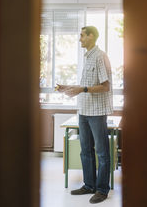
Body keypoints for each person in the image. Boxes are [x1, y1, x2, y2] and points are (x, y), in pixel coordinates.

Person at [57, 26, 113, 204]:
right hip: (83, 110)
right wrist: (68, 87)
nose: (79, 38)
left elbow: (106, 86)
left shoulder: (100, 56)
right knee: (85, 151)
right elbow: (85, 86)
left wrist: (83, 89)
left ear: (91, 36)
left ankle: (102, 189)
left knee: (102, 153)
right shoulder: (86, 57)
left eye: (82, 35)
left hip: (97, 112)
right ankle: (89, 185)